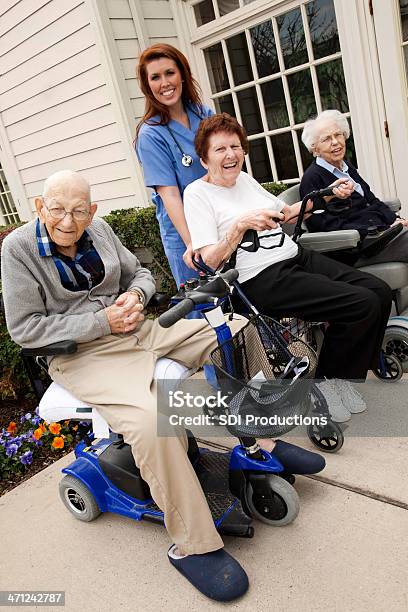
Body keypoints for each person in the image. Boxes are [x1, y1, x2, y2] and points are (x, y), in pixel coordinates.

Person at [1, 170, 325, 601]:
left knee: (234, 330)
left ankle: (257, 442)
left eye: (79, 210)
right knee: (152, 421)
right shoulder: (18, 249)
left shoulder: (99, 229)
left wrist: (135, 298)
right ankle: (194, 546)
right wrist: (101, 321)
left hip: (137, 331)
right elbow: (25, 330)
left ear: (92, 211)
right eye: (57, 209)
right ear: (40, 208)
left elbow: (142, 275)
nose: (67, 220)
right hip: (82, 354)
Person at [184, 114, 393, 423]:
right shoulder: (197, 194)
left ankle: (345, 380)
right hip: (259, 278)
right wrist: (239, 227)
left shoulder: (245, 180)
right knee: (360, 304)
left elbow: (288, 215)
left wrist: (328, 193)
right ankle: (325, 387)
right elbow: (209, 260)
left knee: (379, 291)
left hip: (295, 257)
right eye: (220, 149)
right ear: (204, 159)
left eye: (235, 146)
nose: (230, 155)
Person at [135, 43, 214, 287]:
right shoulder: (151, 135)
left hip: (216, 215)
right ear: (147, 85)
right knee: (205, 305)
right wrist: (193, 243)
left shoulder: (204, 114)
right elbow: (169, 195)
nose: (165, 83)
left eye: (170, 73)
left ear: (182, 74)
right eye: (155, 77)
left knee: (239, 297)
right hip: (184, 229)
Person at [300, 109, 408, 265]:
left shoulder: (345, 166)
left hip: (381, 234)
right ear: (314, 148)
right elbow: (326, 227)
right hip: (358, 248)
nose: (335, 142)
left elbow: (371, 199)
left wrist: (396, 219)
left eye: (338, 135)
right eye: (327, 139)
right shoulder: (312, 179)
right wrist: (379, 229)